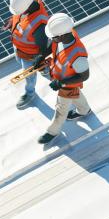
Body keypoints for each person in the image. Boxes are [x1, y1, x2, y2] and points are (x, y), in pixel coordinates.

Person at [38, 13, 92, 144]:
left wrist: (61, 82)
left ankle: (52, 131)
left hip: (67, 84)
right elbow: (54, 47)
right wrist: (42, 56)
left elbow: (84, 76)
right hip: (63, 79)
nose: (52, 40)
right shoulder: (64, 34)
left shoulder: (78, 55)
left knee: (61, 110)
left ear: (61, 35)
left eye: (53, 37)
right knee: (76, 94)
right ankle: (85, 110)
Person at [3, 0, 51, 109]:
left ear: (27, 7)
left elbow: (44, 48)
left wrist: (39, 60)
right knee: (20, 61)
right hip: (19, 49)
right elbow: (20, 17)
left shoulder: (39, 24)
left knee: (29, 77)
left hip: (30, 56)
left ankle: (30, 93)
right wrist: (11, 21)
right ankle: (44, 69)